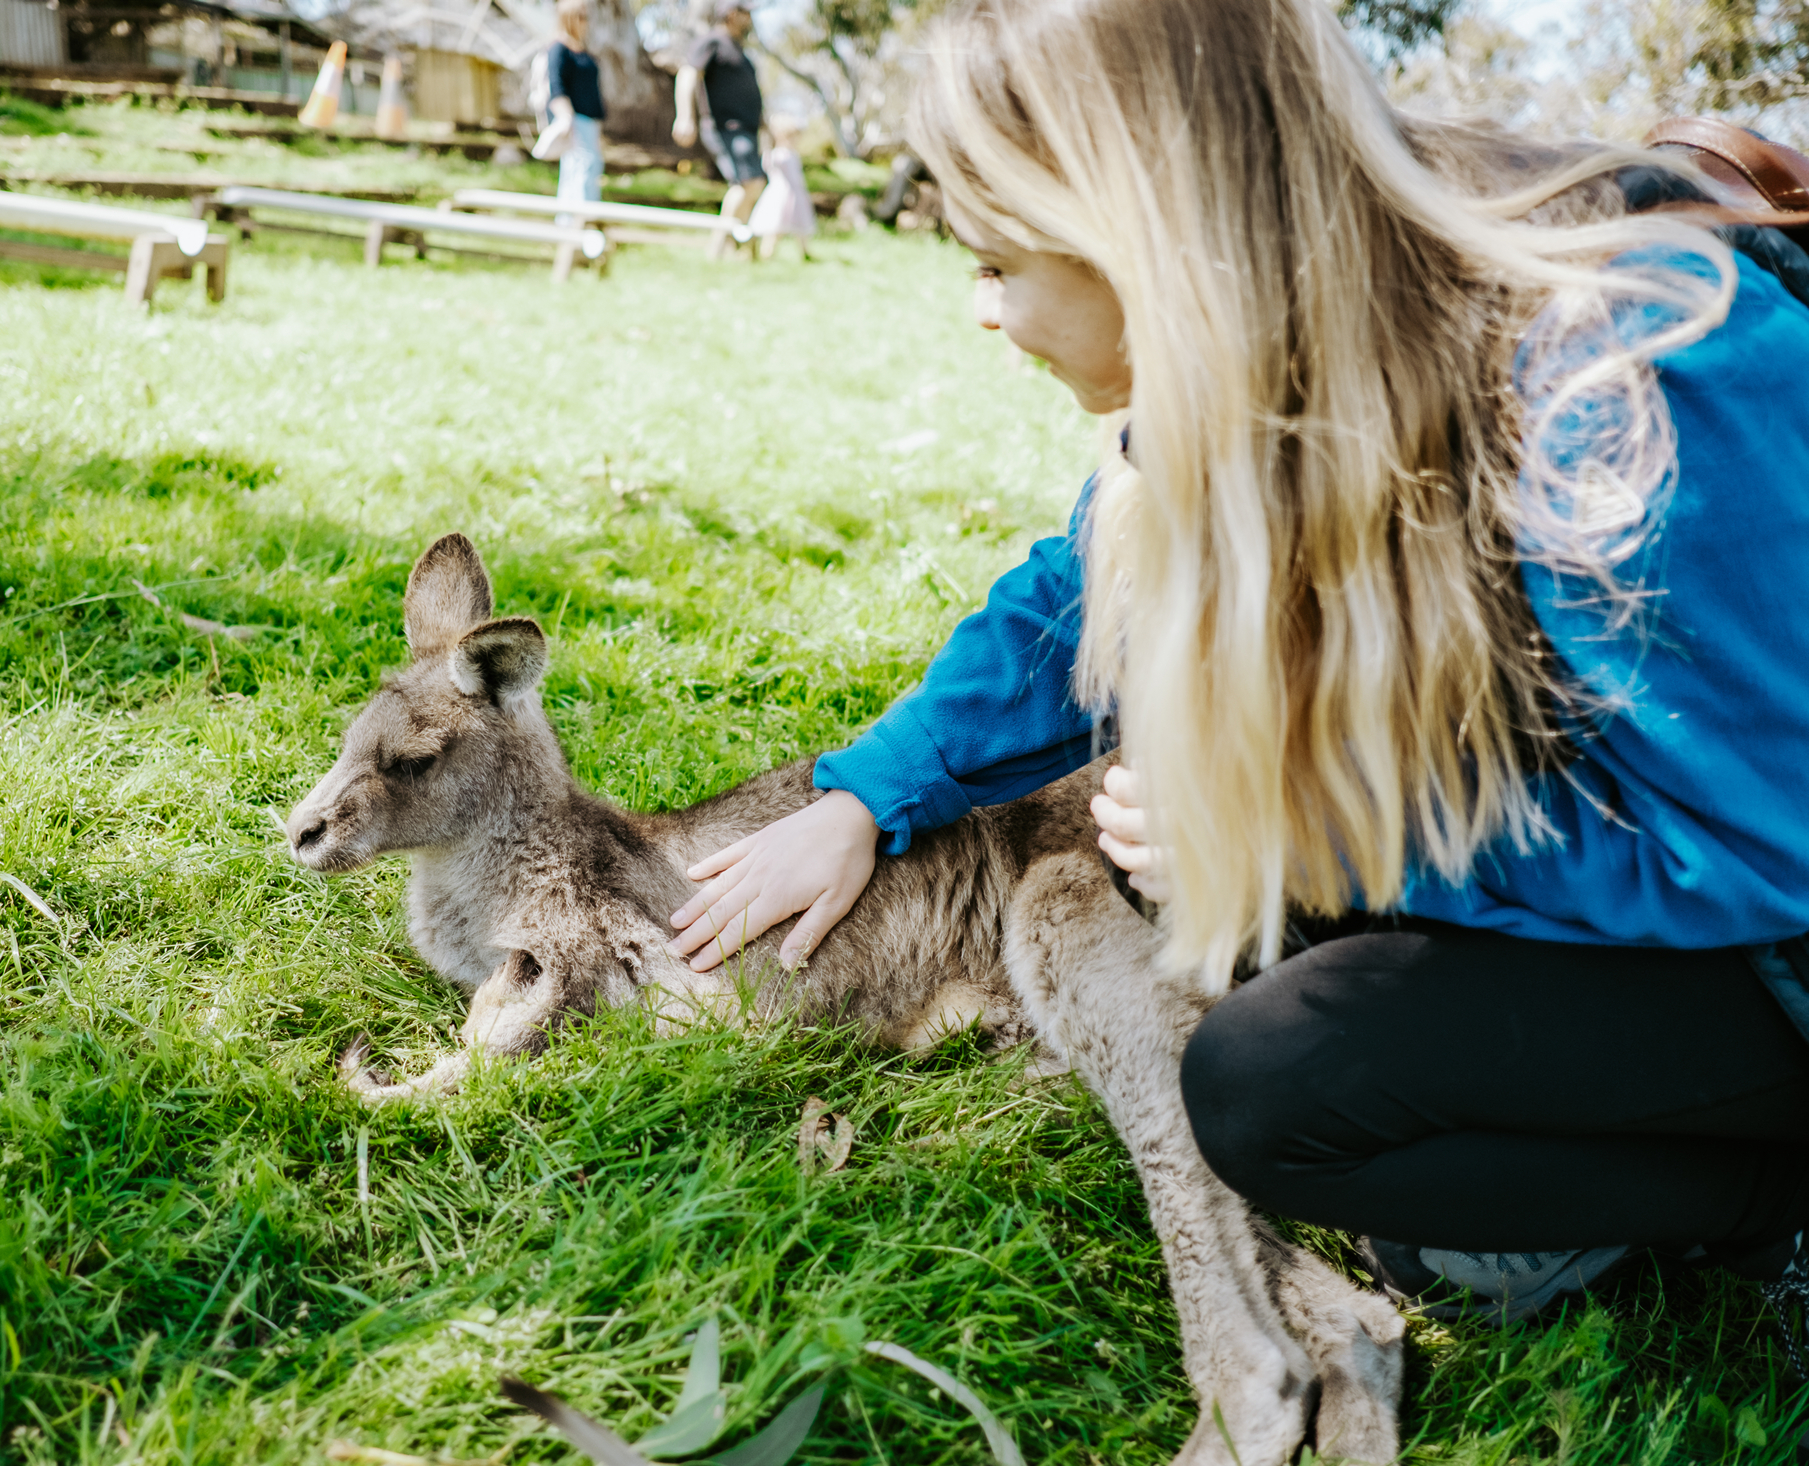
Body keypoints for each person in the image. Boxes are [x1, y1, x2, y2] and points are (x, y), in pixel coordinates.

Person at [667, 0, 1809, 1331]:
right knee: (1249, 963)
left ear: (1138, 229)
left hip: (1776, 934)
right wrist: (865, 796)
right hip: (1671, 894)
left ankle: (1764, 1200)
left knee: (1276, 1085)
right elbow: (1084, 587)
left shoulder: (1621, 388)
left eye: (995, 260)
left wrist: (1328, 838)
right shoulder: (1286, 338)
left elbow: (1766, 843)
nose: (984, 313)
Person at [672, 0, 765, 255]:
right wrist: (684, 116)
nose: (750, 19)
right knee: (747, 183)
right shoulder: (712, 42)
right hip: (725, 128)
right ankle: (718, 248)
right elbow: (689, 73)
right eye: (746, 14)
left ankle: (735, 245)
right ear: (732, 15)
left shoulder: (740, 51)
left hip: (747, 129)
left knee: (752, 184)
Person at [541, 0, 605, 215]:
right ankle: (575, 226)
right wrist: (566, 118)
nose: (585, 22)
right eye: (581, 17)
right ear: (568, 18)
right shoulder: (559, 48)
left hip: (590, 120)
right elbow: (556, 86)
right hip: (575, 121)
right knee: (580, 170)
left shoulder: (582, 49)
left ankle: (581, 224)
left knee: (590, 169)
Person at [749, 116, 815, 260]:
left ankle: (805, 252)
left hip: (796, 193)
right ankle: (767, 252)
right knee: (776, 225)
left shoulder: (793, 154)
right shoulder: (776, 155)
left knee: (799, 225)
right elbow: (768, 165)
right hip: (781, 193)